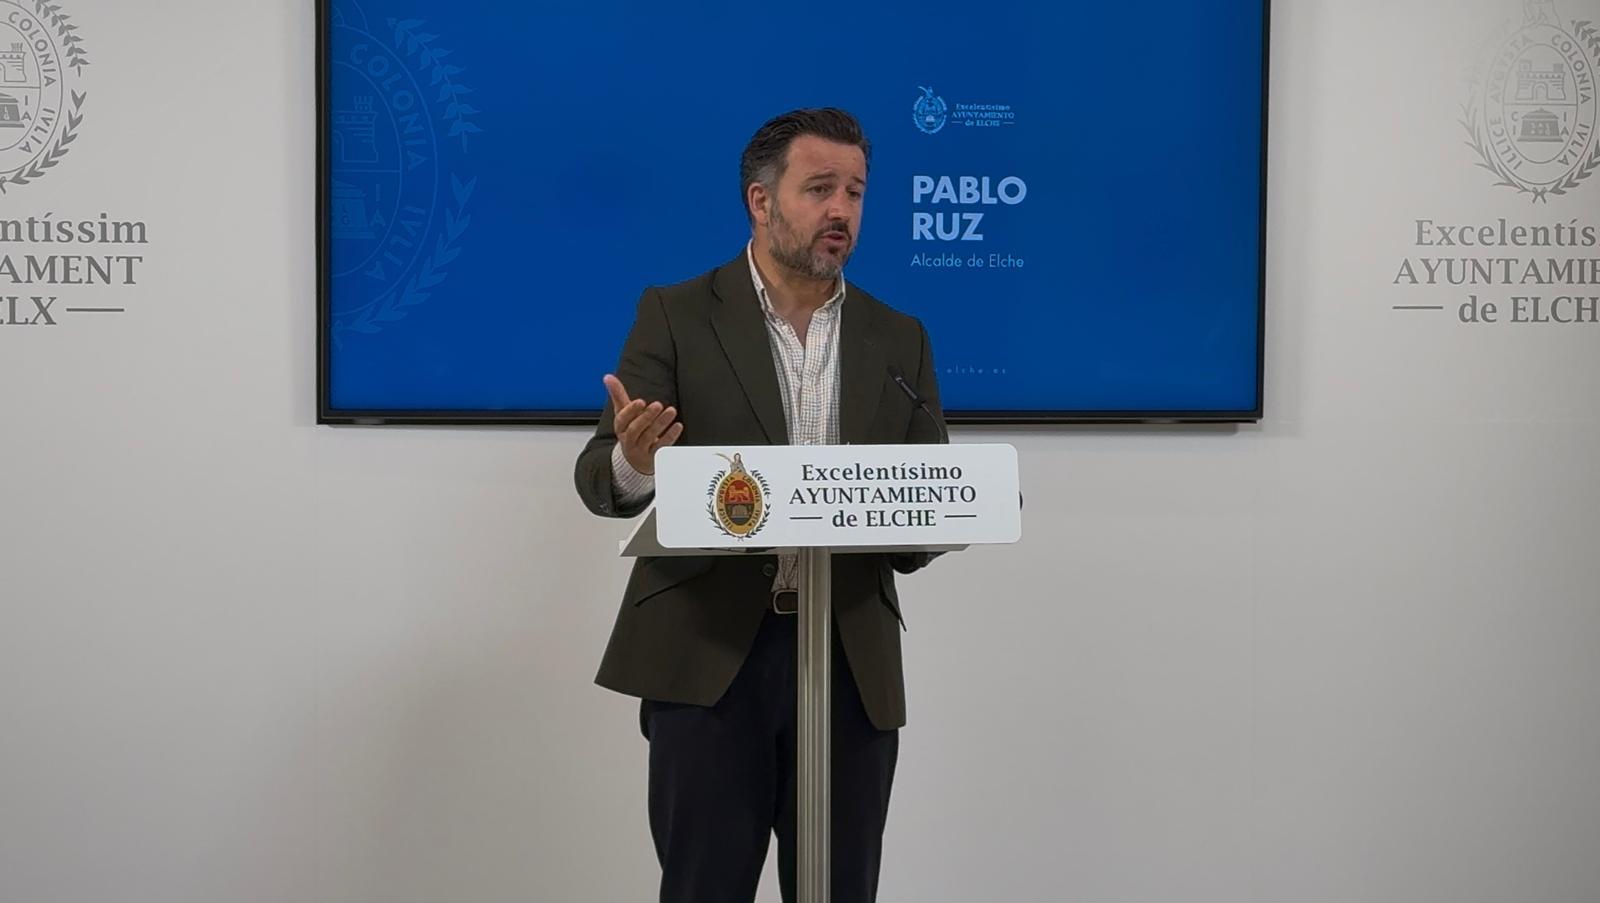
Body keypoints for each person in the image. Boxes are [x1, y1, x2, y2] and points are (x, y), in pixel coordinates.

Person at [573, 107, 947, 903]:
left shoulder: (899, 337)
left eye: (855, 192)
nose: (841, 209)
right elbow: (601, 478)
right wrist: (638, 461)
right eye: (820, 188)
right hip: (711, 658)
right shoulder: (677, 314)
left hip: (849, 660)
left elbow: (917, 521)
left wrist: (947, 507)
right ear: (761, 199)